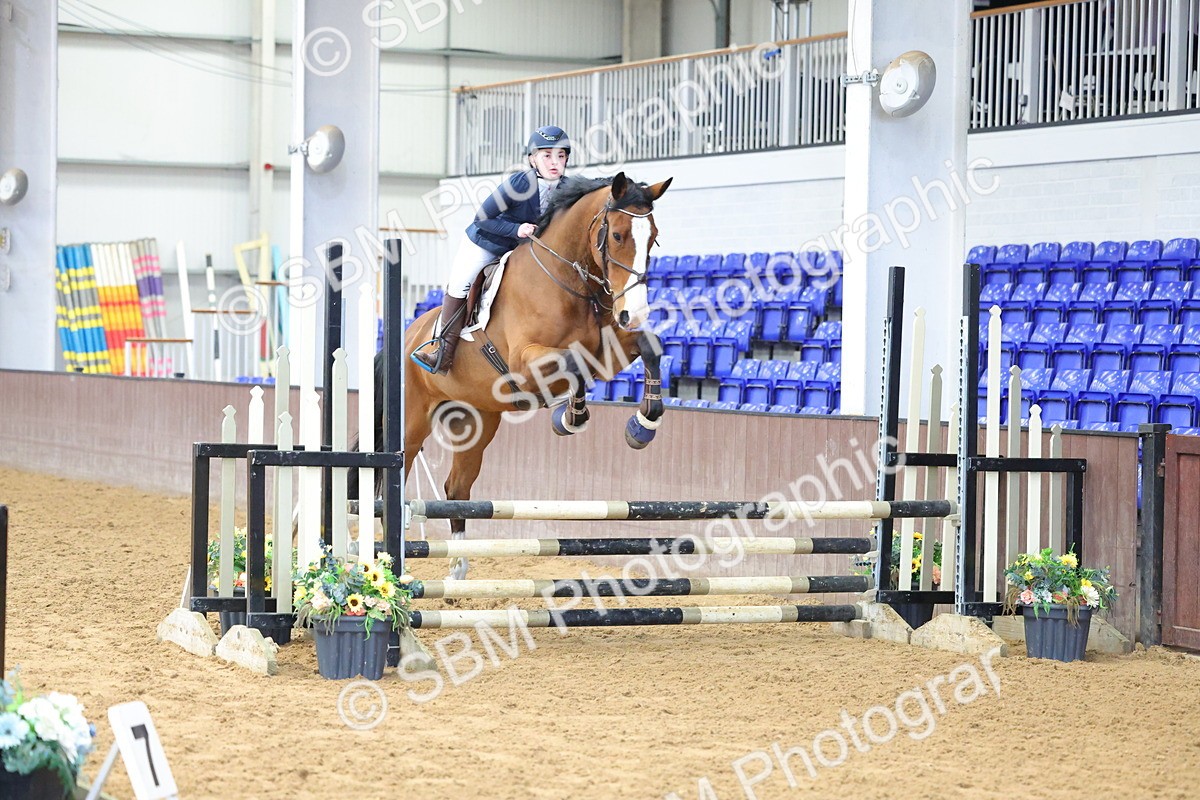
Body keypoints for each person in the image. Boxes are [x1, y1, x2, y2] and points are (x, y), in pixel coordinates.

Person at [412, 125, 571, 374]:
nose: (554, 162)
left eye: (560, 156)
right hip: (488, 242)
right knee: (460, 284)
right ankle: (442, 352)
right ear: (533, 159)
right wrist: (517, 229)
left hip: (522, 252)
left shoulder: (568, 187)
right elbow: (482, 218)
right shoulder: (519, 183)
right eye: (547, 156)